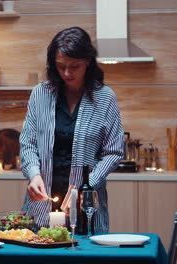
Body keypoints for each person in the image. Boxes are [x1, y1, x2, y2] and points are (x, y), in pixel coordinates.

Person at [19, 26, 124, 233]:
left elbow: (113, 152)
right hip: (40, 206)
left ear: (88, 62)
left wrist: (86, 186)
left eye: (74, 66)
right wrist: (34, 175)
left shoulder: (105, 98)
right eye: (60, 66)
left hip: (86, 208)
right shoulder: (40, 94)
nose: (67, 73)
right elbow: (28, 143)